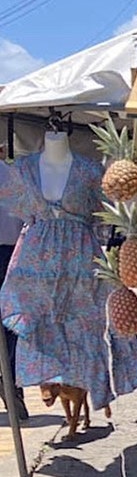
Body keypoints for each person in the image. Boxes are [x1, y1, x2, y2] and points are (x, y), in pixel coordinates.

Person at [0, 130, 137, 416]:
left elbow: (109, 208)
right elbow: (18, 208)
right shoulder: (24, 170)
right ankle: (39, 384)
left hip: (81, 258)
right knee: (37, 322)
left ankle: (94, 387)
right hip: (37, 261)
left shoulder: (91, 170)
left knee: (89, 325)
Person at [0, 176, 28, 420]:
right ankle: (10, 384)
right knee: (11, 320)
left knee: (11, 321)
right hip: (12, 251)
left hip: (12, 252)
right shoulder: (15, 175)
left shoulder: (16, 175)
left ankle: (11, 385)